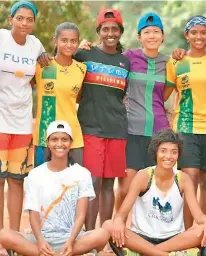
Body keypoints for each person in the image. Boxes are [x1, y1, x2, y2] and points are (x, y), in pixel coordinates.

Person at [0, 121, 109, 255]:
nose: (59, 144)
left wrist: (70, 241)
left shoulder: (82, 173)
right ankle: (56, 253)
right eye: (54, 139)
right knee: (4, 235)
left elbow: (81, 215)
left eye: (64, 139)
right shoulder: (35, 174)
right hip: (41, 238)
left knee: (102, 234)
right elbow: (33, 213)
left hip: (72, 238)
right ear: (48, 143)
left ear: (71, 143)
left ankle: (50, 253)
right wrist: (40, 241)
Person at [0, 1, 45, 255]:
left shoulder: (35, 45)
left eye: (29, 19)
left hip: (23, 123)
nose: (24, 23)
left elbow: (42, 72)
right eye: (19, 18)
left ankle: (13, 238)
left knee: (17, 180)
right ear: (10, 18)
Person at [102, 129, 206, 256]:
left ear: (179, 155)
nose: (169, 156)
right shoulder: (144, 176)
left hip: (173, 239)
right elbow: (122, 213)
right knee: (108, 225)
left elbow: (198, 216)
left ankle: (145, 252)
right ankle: (165, 254)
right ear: (155, 153)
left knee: (203, 229)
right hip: (142, 237)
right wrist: (118, 221)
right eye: (163, 151)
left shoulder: (183, 179)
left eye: (174, 152)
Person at [166, 15, 206, 228]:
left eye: (203, 32)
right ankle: (186, 235)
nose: (198, 36)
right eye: (194, 32)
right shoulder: (176, 61)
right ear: (187, 35)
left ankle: (204, 235)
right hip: (185, 127)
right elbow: (164, 94)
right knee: (189, 180)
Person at [75, 9, 131, 232]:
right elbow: (61, 60)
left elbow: (123, 95)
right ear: (98, 31)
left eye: (114, 29)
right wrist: (79, 47)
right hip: (90, 127)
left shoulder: (125, 62)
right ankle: (89, 236)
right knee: (93, 183)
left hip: (117, 129)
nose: (110, 33)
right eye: (105, 29)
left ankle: (104, 236)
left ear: (120, 32)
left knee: (109, 184)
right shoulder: (85, 55)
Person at [33, 22, 86, 168]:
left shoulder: (82, 69)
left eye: (73, 41)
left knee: (74, 185)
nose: (69, 45)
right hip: (45, 136)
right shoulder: (42, 66)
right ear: (55, 40)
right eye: (64, 40)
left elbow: (79, 97)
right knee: (43, 185)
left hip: (73, 136)